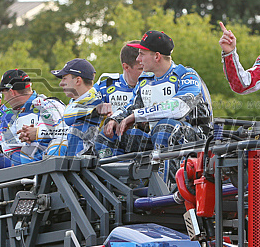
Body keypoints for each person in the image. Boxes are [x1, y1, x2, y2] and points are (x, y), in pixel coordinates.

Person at [95, 30, 213, 160]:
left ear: (157, 57)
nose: (138, 59)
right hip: (155, 138)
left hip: (196, 142)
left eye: (141, 54)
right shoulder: (145, 80)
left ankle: (167, 179)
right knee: (108, 134)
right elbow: (131, 107)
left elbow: (179, 107)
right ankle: (120, 179)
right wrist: (114, 120)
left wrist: (137, 116)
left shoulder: (186, 75)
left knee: (164, 127)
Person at [0, 69, 65, 172]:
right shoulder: (21, 114)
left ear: (11, 92)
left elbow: (64, 132)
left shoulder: (49, 104)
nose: (5, 99)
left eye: (4, 93)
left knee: (16, 154)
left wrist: (37, 133)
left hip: (56, 173)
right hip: (38, 173)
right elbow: (5, 138)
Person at [20, 58, 103, 156]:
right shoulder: (74, 103)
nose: (60, 83)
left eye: (64, 78)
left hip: (92, 164)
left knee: (58, 147)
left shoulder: (95, 101)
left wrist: (39, 133)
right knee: (29, 150)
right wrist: (30, 133)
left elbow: (75, 131)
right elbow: (61, 128)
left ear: (78, 81)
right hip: (76, 163)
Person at [93, 42, 144, 115]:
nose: (147, 72)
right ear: (126, 67)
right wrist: (96, 110)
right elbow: (76, 107)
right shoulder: (106, 86)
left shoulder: (153, 84)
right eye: (141, 69)